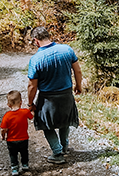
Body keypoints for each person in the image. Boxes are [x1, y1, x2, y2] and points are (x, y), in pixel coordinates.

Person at [27, 26, 82, 164]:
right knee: (65, 120)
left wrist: (30, 103)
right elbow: (78, 71)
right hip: (66, 94)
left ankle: (57, 152)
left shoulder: (36, 59)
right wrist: (78, 86)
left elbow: (32, 86)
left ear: (36, 41)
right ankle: (64, 146)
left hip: (47, 97)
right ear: (48, 36)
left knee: (46, 124)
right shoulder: (67, 49)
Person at [0, 90, 33, 176]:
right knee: (24, 152)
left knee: (13, 154)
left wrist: (3, 136)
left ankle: (15, 168)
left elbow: (3, 129)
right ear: (21, 102)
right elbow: (31, 116)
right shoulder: (25, 112)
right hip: (24, 138)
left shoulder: (7, 116)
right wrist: (33, 110)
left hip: (11, 140)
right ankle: (25, 165)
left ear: (8, 105)